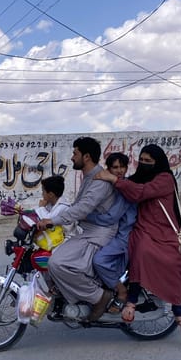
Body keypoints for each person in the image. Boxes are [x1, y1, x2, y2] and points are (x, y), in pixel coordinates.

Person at [95, 143, 181, 334]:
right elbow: (127, 189)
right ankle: (131, 300)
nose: (143, 163)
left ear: (158, 162)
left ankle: (179, 313)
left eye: (148, 161)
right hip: (143, 229)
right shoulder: (136, 179)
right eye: (141, 160)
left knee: (174, 262)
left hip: (165, 232)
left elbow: (140, 193)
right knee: (140, 250)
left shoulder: (164, 179)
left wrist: (112, 179)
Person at [36, 136, 118, 321]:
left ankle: (98, 297)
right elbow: (77, 207)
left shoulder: (99, 181)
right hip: (87, 231)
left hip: (99, 234)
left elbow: (82, 209)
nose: (72, 157)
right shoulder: (89, 177)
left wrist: (52, 221)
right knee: (54, 261)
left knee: (58, 263)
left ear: (86, 156)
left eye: (75, 153)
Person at [86, 153, 136, 309]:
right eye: (115, 167)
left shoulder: (125, 188)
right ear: (108, 168)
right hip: (111, 233)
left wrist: (85, 216)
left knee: (98, 261)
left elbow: (110, 217)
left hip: (124, 236)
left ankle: (120, 290)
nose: (119, 170)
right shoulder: (112, 186)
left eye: (122, 167)